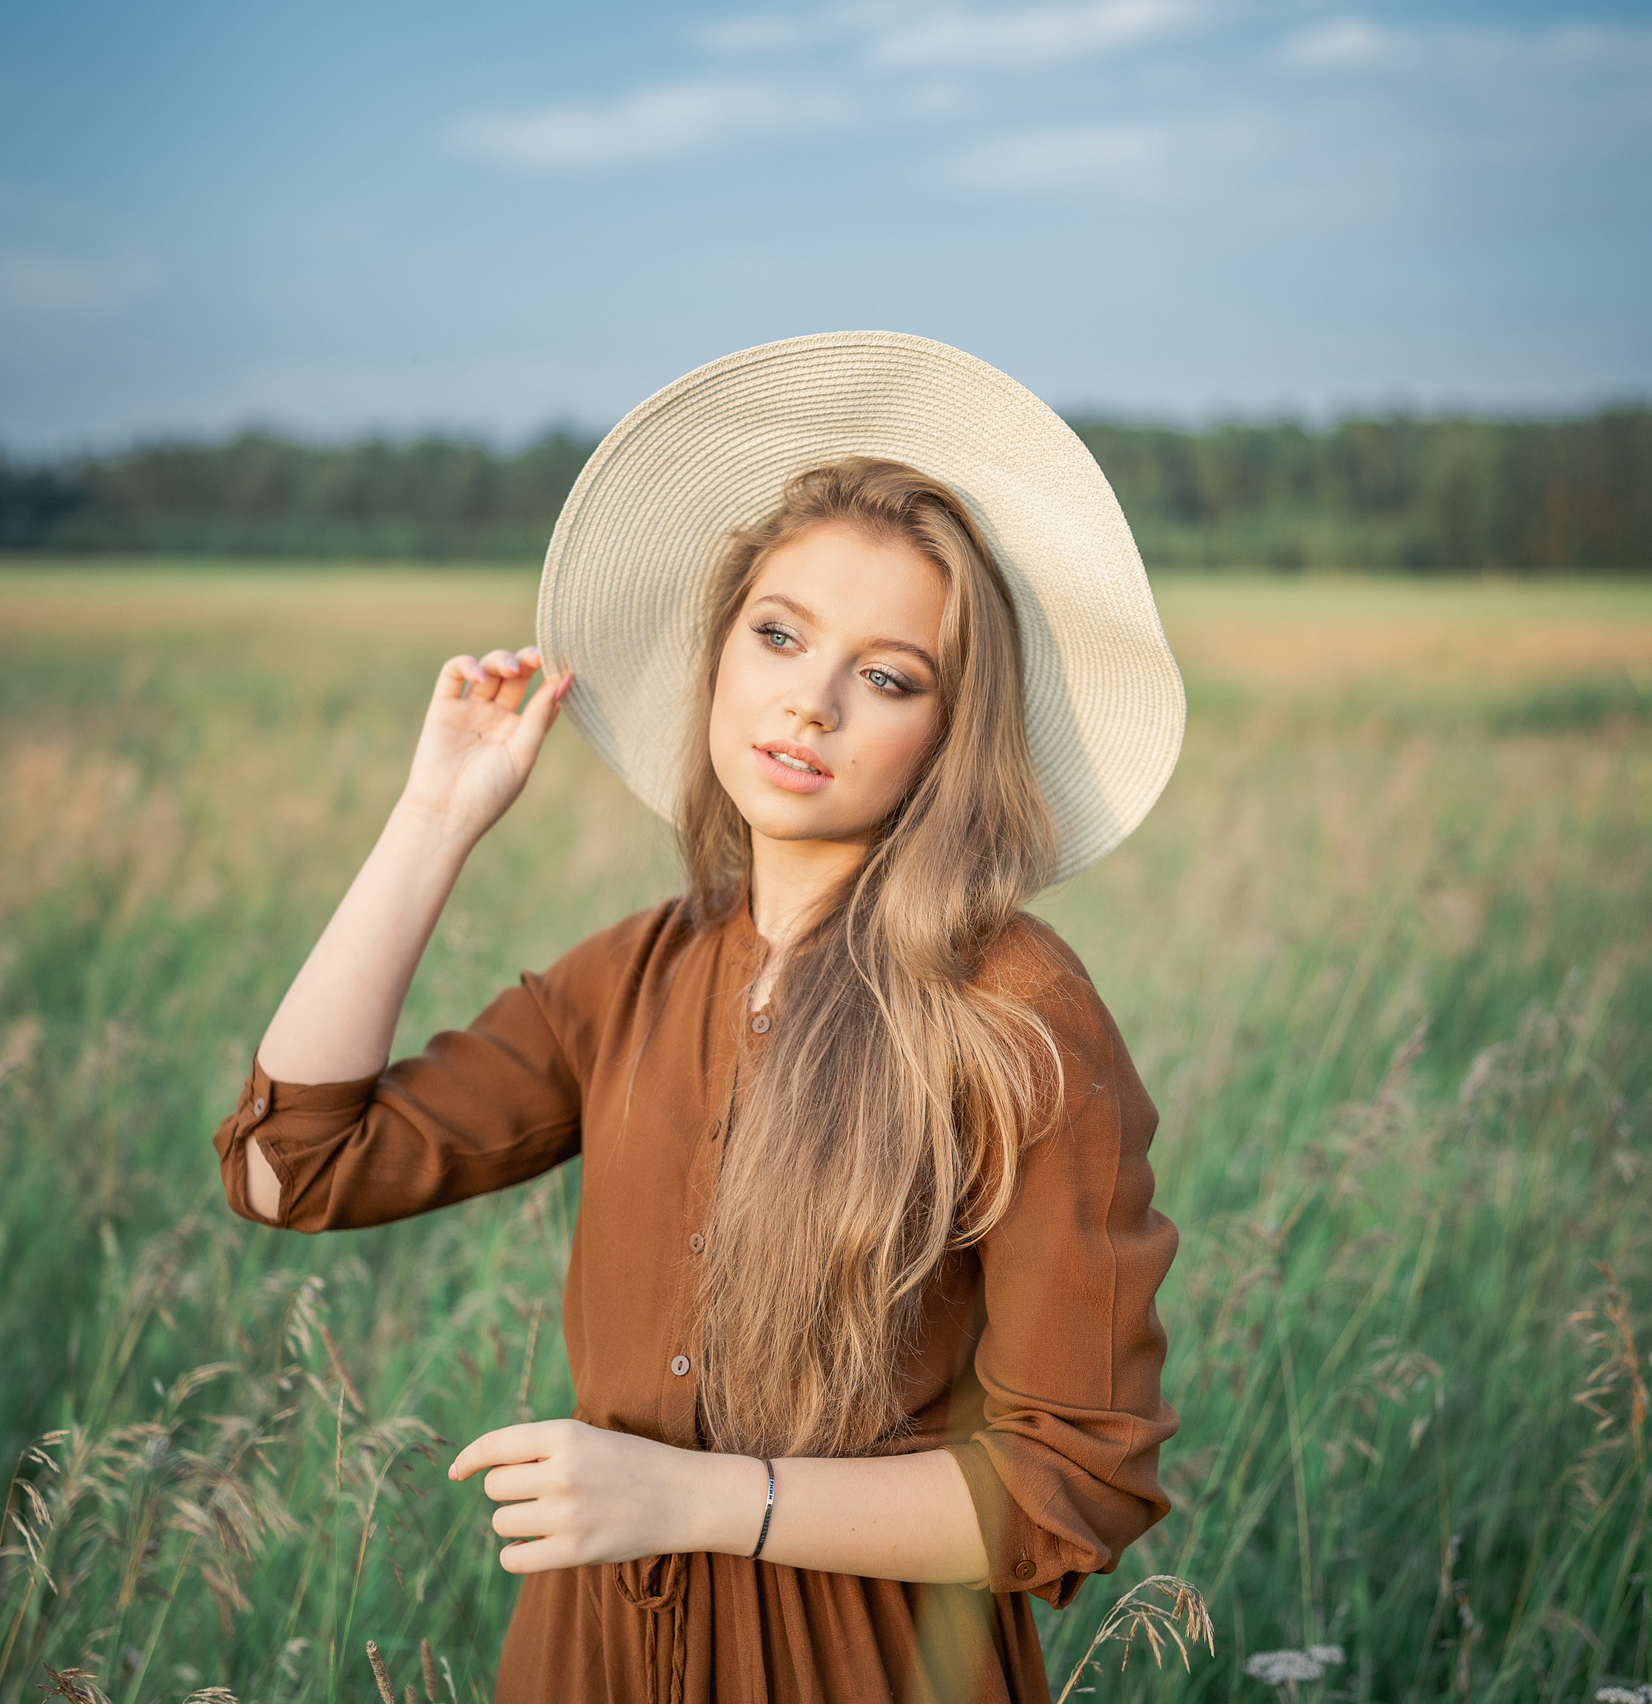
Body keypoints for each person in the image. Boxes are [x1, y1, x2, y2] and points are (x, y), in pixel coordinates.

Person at [213, 332, 1189, 1702]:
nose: (812, 699)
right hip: (593, 1661)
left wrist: (697, 1499)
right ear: (720, 652)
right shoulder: (633, 976)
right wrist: (434, 817)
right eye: (779, 634)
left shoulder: (1015, 1017)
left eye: (890, 674)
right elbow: (286, 1167)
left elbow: (1065, 1490)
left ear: (950, 734)